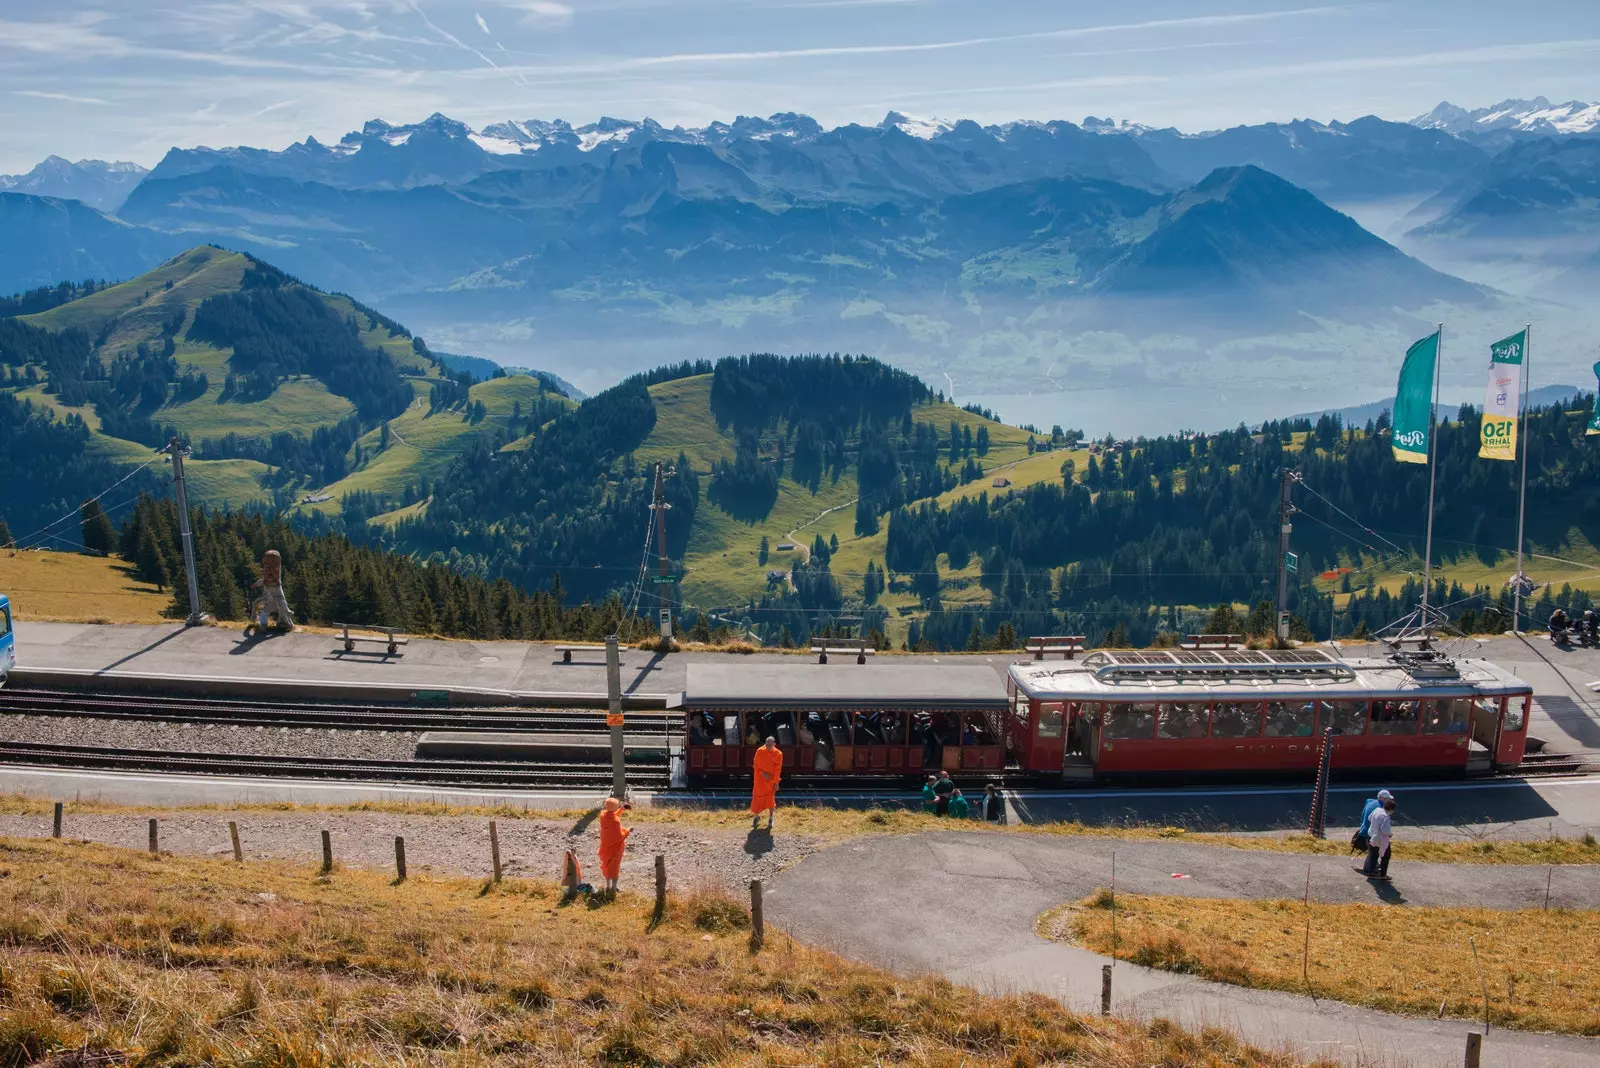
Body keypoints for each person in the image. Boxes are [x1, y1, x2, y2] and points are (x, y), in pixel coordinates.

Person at [252, 549, 295, 632]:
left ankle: (286, 624)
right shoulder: (265, 580)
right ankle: (263, 626)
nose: (270, 569)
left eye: (274, 565)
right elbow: (263, 580)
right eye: (267, 565)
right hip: (269, 600)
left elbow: (275, 578)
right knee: (264, 613)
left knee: (283, 609)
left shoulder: (277, 579)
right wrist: (256, 584)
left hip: (279, 599)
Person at [598, 797, 630, 894]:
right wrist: (628, 830)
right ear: (615, 807)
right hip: (614, 849)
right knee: (614, 867)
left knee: (607, 866)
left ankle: (608, 886)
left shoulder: (603, 815)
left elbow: (613, 816)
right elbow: (619, 836)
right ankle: (614, 888)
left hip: (605, 847)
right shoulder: (615, 823)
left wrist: (621, 810)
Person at [750, 737, 783, 829]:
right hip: (760, 779)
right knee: (757, 797)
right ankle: (756, 816)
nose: (768, 746)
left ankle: (771, 818)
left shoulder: (778, 754)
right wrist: (762, 773)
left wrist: (776, 783)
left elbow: (778, 770)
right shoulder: (760, 751)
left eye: (770, 744)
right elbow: (755, 764)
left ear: (774, 744)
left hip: (770, 780)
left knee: (770, 798)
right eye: (766, 744)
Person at [1360, 798, 1396, 879]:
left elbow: (1369, 818)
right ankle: (1383, 874)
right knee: (1386, 855)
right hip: (1380, 838)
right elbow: (1385, 829)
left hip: (1371, 835)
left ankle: (1371, 872)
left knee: (1373, 855)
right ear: (1391, 809)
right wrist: (1390, 834)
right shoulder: (1386, 816)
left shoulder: (1377, 810)